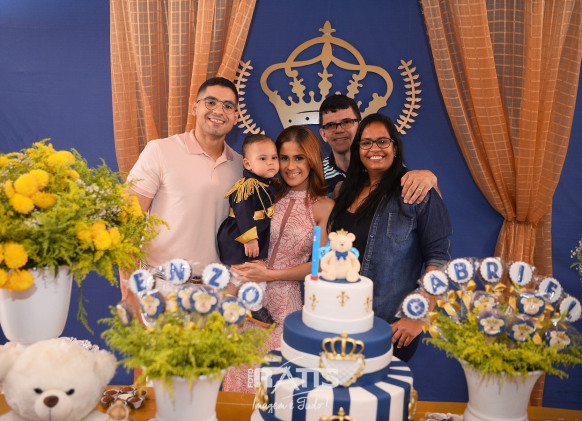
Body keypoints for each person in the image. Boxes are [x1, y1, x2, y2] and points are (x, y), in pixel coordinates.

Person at [327, 113, 452, 362]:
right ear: (358, 149)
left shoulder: (415, 193)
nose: (374, 148)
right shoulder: (344, 192)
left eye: (382, 141)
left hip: (388, 325)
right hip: (339, 320)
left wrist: (419, 314)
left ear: (395, 147)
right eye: (366, 143)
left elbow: (439, 259)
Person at [222, 125, 335, 393]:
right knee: (241, 385)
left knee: (277, 391)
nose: (290, 166)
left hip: (285, 309)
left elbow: (319, 265)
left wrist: (271, 275)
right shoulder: (265, 194)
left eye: (299, 158)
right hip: (247, 302)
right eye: (284, 158)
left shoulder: (324, 206)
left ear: (312, 159)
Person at [125, 77, 242, 297]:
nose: (219, 111)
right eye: (211, 102)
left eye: (228, 106)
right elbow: (126, 223)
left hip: (215, 291)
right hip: (160, 288)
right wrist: (129, 290)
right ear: (194, 108)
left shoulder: (241, 166)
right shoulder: (159, 151)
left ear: (236, 117)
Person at [319, 94, 439, 203]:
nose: (339, 130)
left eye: (346, 122)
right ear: (323, 134)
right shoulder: (316, 174)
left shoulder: (382, 162)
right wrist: (332, 201)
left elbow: (428, 209)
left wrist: (429, 179)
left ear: (360, 126)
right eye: (330, 125)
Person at [217, 134, 278, 325]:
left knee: (240, 273)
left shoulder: (265, 183)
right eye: (263, 158)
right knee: (253, 272)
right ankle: (254, 306)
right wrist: (250, 238)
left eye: (274, 157)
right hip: (241, 237)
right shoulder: (248, 186)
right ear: (247, 164)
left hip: (253, 235)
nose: (270, 163)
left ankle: (228, 301)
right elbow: (243, 213)